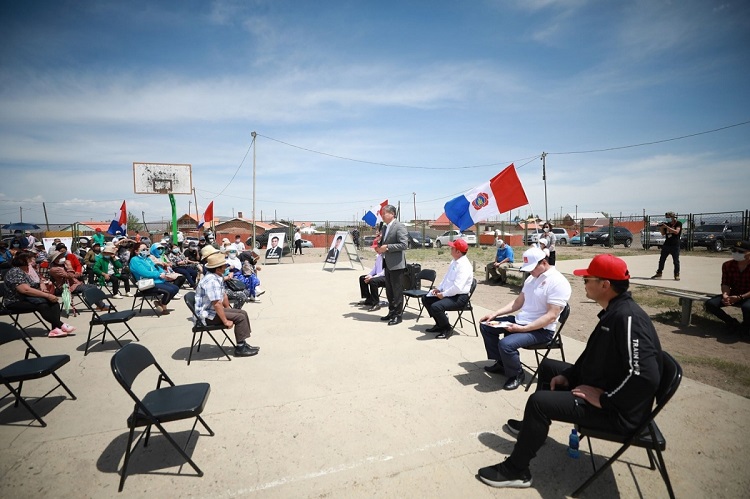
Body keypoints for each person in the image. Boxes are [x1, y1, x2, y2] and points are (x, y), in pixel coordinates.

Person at [477, 254, 663, 489]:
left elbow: (644, 376)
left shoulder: (628, 318)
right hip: (607, 386)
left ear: (605, 285)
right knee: (549, 367)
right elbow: (593, 356)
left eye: (588, 279)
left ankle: (516, 471)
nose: (584, 282)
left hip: (619, 412)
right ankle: (533, 430)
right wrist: (571, 376)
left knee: (538, 402)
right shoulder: (615, 310)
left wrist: (605, 400)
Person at [479, 247, 572, 390]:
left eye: (532, 268)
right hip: (521, 321)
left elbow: (551, 316)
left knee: (506, 344)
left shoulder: (558, 282)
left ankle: (516, 374)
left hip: (541, 330)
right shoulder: (531, 278)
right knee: (486, 325)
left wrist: (523, 329)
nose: (530, 271)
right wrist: (495, 314)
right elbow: (518, 302)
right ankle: (502, 362)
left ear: (544, 263)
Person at [194, 252, 260, 357]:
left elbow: (223, 295)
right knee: (240, 317)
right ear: (217, 268)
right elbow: (216, 304)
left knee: (242, 313)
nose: (226, 267)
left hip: (212, 310)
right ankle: (240, 348)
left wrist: (229, 308)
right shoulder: (211, 281)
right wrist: (225, 321)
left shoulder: (217, 276)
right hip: (206, 315)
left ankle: (242, 342)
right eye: (224, 266)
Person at [3, 250, 76, 337]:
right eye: (32, 259)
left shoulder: (29, 270)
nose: (34, 261)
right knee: (42, 305)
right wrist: (47, 295)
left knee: (54, 303)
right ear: (25, 260)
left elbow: (40, 280)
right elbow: (25, 290)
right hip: (15, 301)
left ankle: (55, 329)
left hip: (29, 298)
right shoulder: (15, 272)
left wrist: (43, 287)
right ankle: (61, 325)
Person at [421, 239, 473, 338]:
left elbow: (457, 288)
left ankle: (447, 329)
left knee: (436, 306)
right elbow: (446, 278)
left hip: (459, 297)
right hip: (450, 293)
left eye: (452, 248)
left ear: (458, 251)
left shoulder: (464, 266)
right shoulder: (454, 261)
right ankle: (439, 324)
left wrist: (443, 295)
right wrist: (439, 289)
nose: (450, 249)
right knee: (426, 299)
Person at [705, 240, 750, 334]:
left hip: (747, 296)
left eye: (741, 252)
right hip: (735, 293)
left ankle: (746, 327)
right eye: (734, 250)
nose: (736, 253)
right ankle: (731, 322)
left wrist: (740, 297)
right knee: (711, 304)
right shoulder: (727, 265)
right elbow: (725, 283)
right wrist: (725, 295)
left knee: (747, 307)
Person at [375, 205, 409, 326]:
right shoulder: (385, 227)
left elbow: (404, 244)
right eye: (383, 213)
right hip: (387, 263)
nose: (383, 215)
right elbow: (384, 242)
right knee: (389, 291)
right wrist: (379, 245)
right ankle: (391, 312)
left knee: (397, 291)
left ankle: (398, 315)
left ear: (392, 214)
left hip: (397, 264)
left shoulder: (399, 226)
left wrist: (388, 247)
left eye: (385, 213)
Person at [129, 242, 180, 315]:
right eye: (143, 249)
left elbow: (156, 267)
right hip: (147, 283)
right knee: (169, 290)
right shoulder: (135, 260)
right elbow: (144, 273)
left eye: (146, 249)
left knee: (175, 288)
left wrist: (163, 272)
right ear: (136, 251)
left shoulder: (147, 259)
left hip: (157, 281)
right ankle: (163, 306)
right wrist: (158, 274)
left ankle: (160, 303)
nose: (145, 251)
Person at [652, 211, 682, 280]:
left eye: (668, 217)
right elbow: (663, 233)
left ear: (672, 217)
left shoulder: (678, 223)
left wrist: (667, 227)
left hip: (675, 245)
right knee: (662, 259)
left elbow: (676, 232)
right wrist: (661, 228)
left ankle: (676, 274)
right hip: (667, 244)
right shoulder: (667, 224)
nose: (667, 219)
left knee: (676, 261)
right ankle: (659, 273)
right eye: (666, 217)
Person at [358, 232, 385, 309]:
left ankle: (376, 302)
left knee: (373, 281)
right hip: (378, 276)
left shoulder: (385, 256)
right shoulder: (378, 256)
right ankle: (368, 298)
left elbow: (384, 272)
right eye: (374, 248)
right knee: (363, 278)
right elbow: (374, 269)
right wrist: (369, 275)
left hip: (385, 277)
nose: (375, 249)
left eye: (377, 247)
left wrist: (373, 278)